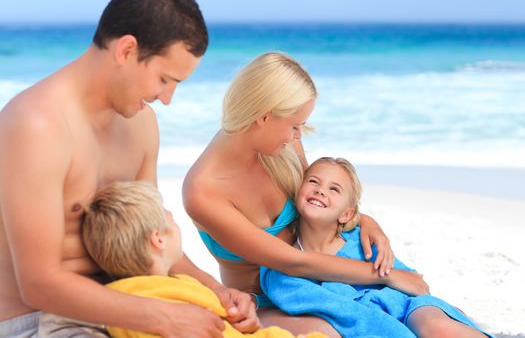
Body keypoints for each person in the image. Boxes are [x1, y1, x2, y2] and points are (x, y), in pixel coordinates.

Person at [0, 0, 257, 337]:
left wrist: (217, 291)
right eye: (165, 80)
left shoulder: (141, 125)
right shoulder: (36, 125)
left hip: (133, 303)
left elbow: (153, 236)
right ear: (126, 50)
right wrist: (164, 317)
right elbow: (38, 283)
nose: (166, 99)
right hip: (41, 321)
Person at [182, 52, 428, 337]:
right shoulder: (203, 191)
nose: (298, 136)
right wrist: (388, 276)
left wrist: (366, 221)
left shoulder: (280, 145)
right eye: (295, 125)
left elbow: (320, 198)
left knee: (412, 317)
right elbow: (291, 260)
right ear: (264, 116)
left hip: (324, 283)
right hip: (264, 304)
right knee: (330, 331)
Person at [38, 180, 323, 338]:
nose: (173, 216)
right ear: (158, 239)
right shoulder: (184, 290)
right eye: (166, 213)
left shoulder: (118, 301)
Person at [260, 157, 491, 338]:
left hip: (408, 307)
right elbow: (344, 314)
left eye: (334, 189)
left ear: (347, 214)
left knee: (439, 328)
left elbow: (416, 285)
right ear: (297, 192)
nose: (320, 190)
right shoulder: (282, 267)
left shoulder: (362, 241)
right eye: (313, 181)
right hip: (368, 325)